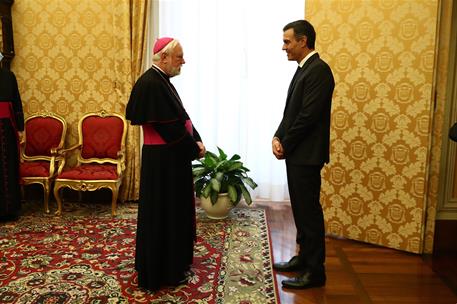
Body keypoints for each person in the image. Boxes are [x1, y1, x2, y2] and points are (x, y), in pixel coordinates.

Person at [126, 37, 206, 291]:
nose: (184, 61)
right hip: (164, 162)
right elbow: (170, 128)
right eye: (179, 56)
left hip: (170, 158)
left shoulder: (162, 81)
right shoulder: (151, 84)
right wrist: (194, 149)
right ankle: (164, 270)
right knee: (165, 214)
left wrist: (197, 139)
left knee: (173, 212)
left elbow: (181, 118)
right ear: (164, 58)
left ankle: (174, 264)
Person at [272, 20, 335, 289]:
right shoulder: (304, 69)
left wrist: (286, 143)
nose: (283, 46)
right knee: (300, 209)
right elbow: (291, 112)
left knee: (309, 212)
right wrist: (278, 135)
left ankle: (315, 271)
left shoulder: (319, 71)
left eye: (287, 41)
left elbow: (308, 117)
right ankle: (302, 258)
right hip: (298, 153)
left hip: (307, 154)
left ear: (303, 41)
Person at [0, 52, 24, 221]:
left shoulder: (9, 76)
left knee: (8, 166)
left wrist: (21, 128)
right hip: (6, 128)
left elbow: (16, 103)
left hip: (7, 130)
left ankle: (10, 209)